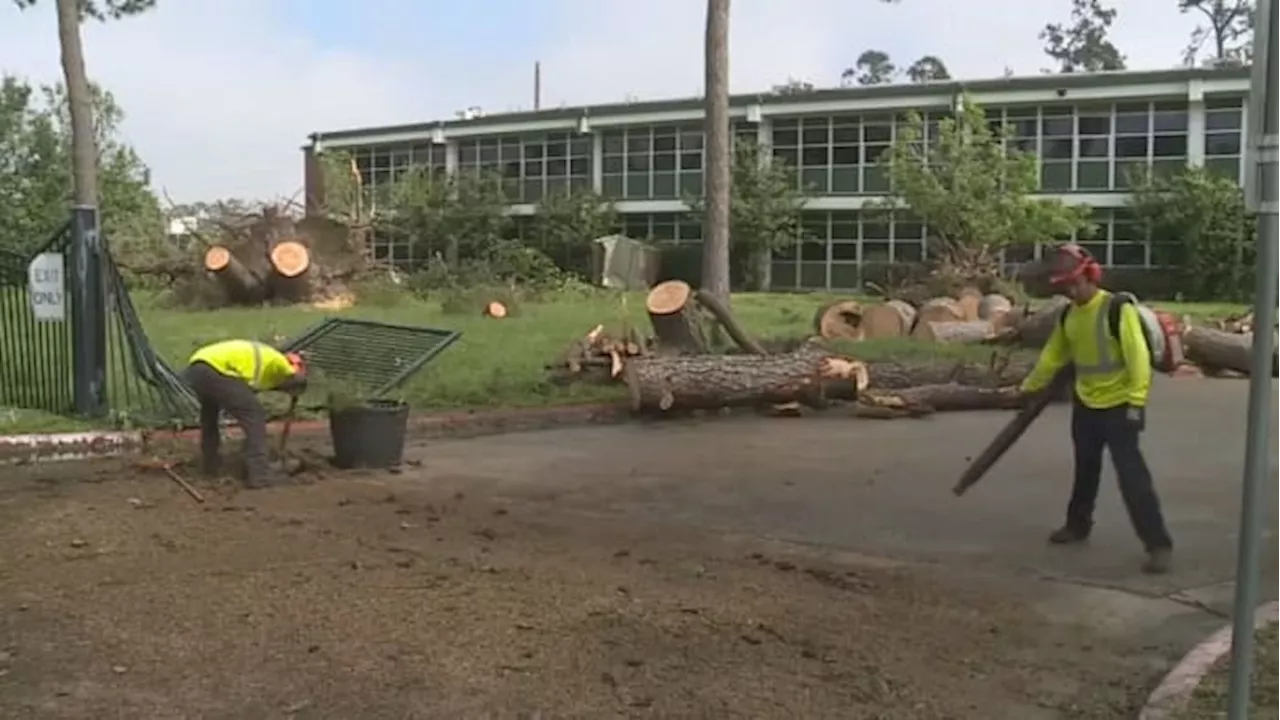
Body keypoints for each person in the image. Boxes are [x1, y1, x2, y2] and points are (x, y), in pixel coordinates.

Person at [1019, 243, 1174, 574]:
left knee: (1132, 477)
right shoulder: (1068, 316)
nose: (1072, 291)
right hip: (1086, 404)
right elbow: (1053, 356)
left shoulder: (1118, 309)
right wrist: (1028, 388)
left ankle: (1158, 544)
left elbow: (1138, 359)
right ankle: (1077, 525)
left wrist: (1137, 401)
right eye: (1065, 287)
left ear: (1091, 275)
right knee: (1085, 469)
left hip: (1122, 405)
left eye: (1075, 283)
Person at [182, 339, 308, 489]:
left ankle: (211, 466)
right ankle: (260, 475)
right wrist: (300, 369)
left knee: (210, 415)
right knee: (254, 415)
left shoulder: (265, 369)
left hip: (198, 368)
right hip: (215, 369)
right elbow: (297, 375)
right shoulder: (281, 363)